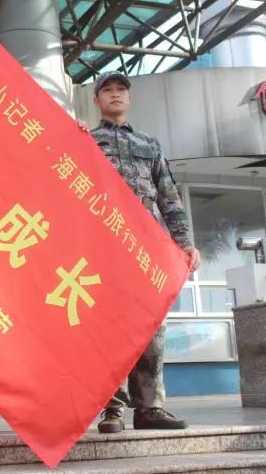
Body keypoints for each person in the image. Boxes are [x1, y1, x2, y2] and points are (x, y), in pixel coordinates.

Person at [88, 71, 201, 433]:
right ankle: (113, 410)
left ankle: (151, 407)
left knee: (152, 327)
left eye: (122, 90)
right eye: (108, 90)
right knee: (111, 328)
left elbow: (168, 197)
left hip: (147, 249)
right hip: (105, 247)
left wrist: (184, 242)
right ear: (97, 100)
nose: (116, 95)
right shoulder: (86, 142)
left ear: (130, 98)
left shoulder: (150, 144)